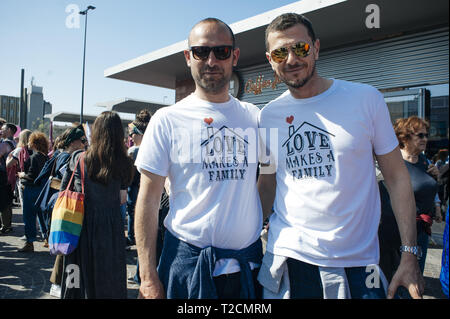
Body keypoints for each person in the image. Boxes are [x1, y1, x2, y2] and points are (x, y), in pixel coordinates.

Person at [257, 13, 424, 299]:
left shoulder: (365, 99)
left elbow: (397, 178)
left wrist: (409, 254)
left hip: (359, 264)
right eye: (280, 52)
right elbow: (268, 183)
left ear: (317, 48)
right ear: (270, 59)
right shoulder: (268, 116)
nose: (291, 59)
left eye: (300, 48)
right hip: (289, 260)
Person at [135, 18, 263, 299]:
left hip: (247, 269)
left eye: (222, 52)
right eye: (201, 52)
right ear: (188, 57)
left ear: (235, 56)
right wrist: (147, 276)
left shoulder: (255, 117)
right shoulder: (166, 120)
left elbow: (270, 180)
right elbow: (148, 200)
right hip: (187, 266)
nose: (211, 60)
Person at [59, 111, 133, 299]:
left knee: (77, 273)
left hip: (81, 223)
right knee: (109, 275)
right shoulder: (125, 162)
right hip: (111, 227)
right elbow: (122, 198)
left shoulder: (80, 158)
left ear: (96, 132)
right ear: (119, 133)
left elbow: (64, 190)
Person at [379, 116, 440, 281]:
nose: (425, 139)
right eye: (420, 135)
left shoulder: (424, 160)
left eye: (426, 135)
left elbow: (426, 188)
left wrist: (435, 179)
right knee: (396, 280)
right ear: (404, 137)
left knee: (417, 278)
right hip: (396, 233)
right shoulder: (391, 162)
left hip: (421, 232)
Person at [17, 131, 49, 252]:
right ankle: (47, 239)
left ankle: (30, 243)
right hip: (42, 190)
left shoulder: (34, 157)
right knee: (42, 216)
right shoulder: (46, 157)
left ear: (34, 143)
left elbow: (31, 176)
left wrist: (22, 175)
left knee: (29, 217)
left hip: (31, 189)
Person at [126, 110, 151, 248]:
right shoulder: (153, 148)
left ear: (139, 133)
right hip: (150, 189)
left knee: (133, 212)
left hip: (134, 188)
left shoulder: (133, 151)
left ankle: (131, 236)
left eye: (132, 133)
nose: (130, 137)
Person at [5, 129, 32, 210]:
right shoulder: (35, 149)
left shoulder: (19, 150)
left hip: (22, 178)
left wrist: (8, 157)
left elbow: (8, 164)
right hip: (34, 178)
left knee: (25, 204)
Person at [0, 123, 17, 234]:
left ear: (10, 130)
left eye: (3, 129)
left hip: (2, 175)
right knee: (6, 200)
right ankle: (7, 225)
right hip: (9, 175)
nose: (1, 130)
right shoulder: (14, 142)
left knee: (3, 201)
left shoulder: (6, 143)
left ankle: (6, 225)